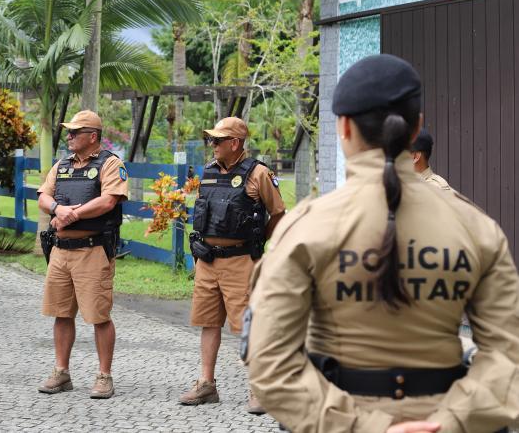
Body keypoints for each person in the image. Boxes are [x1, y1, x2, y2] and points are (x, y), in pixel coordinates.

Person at [246, 54, 519, 432]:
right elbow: (510, 357)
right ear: (416, 127)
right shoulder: (477, 228)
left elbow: (269, 364)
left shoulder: (305, 229)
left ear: (343, 127)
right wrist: (451, 421)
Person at [179, 116, 285, 414]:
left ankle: (259, 389)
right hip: (208, 260)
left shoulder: (258, 173)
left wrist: (260, 244)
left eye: (217, 140)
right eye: (211, 140)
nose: (211, 145)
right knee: (208, 321)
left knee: (249, 327)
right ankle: (206, 384)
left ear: (235, 143)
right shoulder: (209, 172)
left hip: (241, 261)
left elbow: (278, 213)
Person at [36, 110, 128, 399]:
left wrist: (71, 214)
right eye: (69, 131)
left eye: (76, 132)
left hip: (93, 250)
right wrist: (56, 210)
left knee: (99, 315)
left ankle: (104, 376)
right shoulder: (62, 165)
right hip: (61, 252)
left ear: (93, 136)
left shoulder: (110, 164)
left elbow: (107, 201)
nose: (70, 136)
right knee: (61, 314)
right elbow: (43, 196)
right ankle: (61, 372)